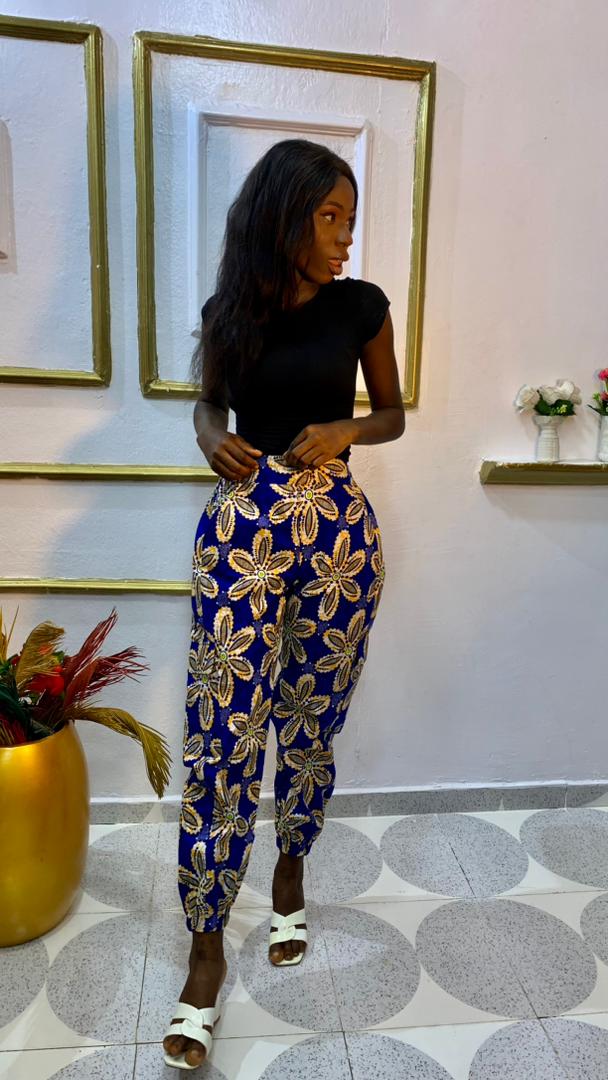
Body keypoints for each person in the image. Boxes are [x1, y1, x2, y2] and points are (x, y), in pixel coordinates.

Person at [163, 137, 405, 1070]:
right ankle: (206, 949)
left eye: (351, 218)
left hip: (338, 539)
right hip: (241, 535)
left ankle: (291, 874)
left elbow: (391, 413)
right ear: (283, 216)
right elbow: (210, 405)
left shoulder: (362, 307)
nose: (344, 236)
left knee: (309, 719)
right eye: (329, 216)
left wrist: (346, 428)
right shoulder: (232, 311)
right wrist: (207, 435)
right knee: (222, 733)